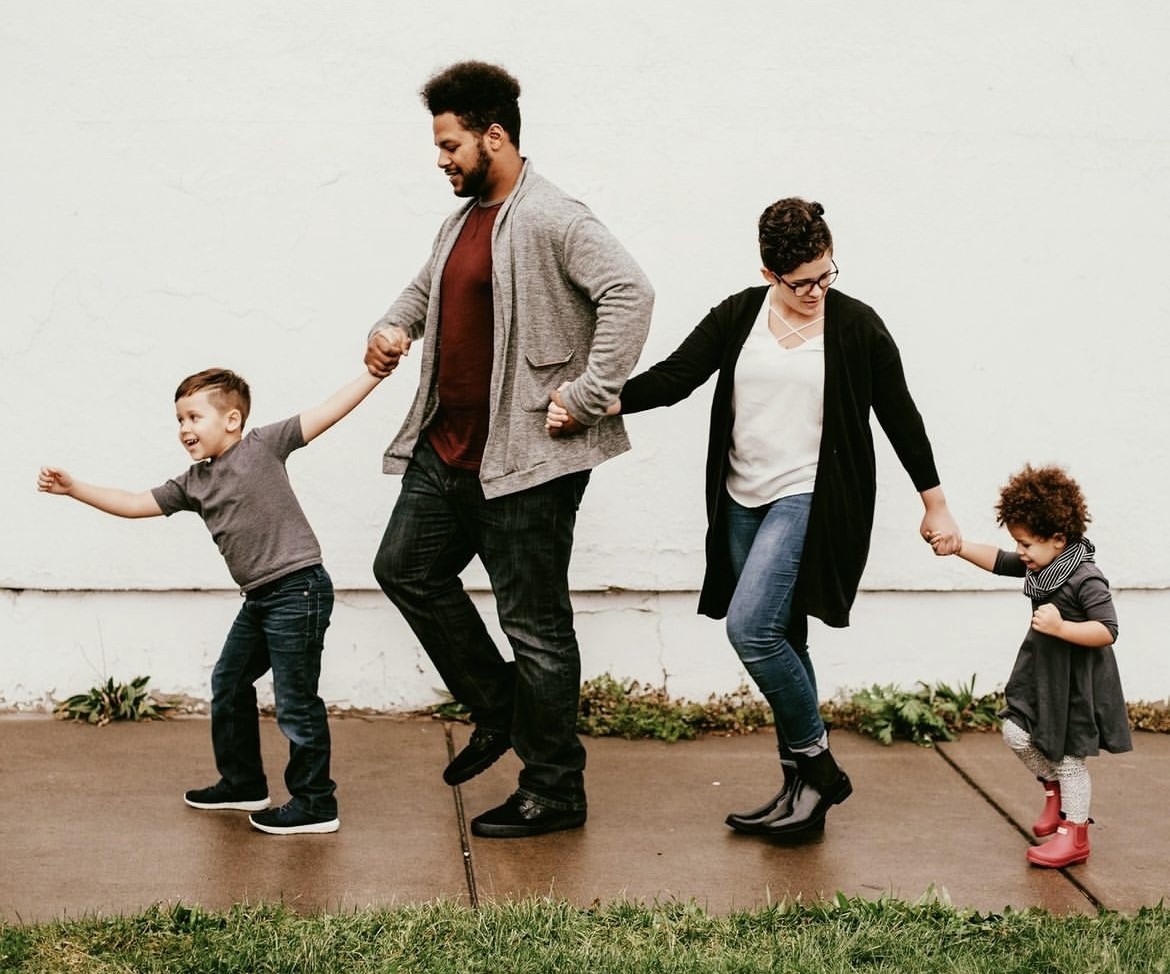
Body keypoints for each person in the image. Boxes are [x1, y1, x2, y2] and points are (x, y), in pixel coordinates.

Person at [548, 197, 961, 840]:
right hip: (741, 499)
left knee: (752, 629)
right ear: (770, 273)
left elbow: (900, 415)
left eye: (827, 275)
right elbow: (676, 377)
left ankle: (819, 768)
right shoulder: (742, 314)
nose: (818, 291)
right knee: (785, 638)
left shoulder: (856, 326)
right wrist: (592, 404)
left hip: (811, 497)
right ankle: (802, 794)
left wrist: (934, 502)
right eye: (802, 283)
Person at [365, 61, 654, 838]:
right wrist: (392, 326)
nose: (441, 159)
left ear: (494, 136)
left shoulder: (553, 217)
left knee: (536, 627)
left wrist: (589, 394)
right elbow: (427, 289)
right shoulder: (462, 220)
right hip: (448, 450)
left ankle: (555, 788)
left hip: (525, 462)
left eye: (451, 143)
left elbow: (631, 292)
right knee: (404, 569)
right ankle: (499, 711)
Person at [37, 366, 386, 835]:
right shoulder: (194, 483)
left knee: (296, 701)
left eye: (194, 417)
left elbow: (328, 411)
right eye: (179, 420)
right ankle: (243, 783)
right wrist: (74, 488)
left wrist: (374, 375)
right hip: (260, 598)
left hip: (298, 589)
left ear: (232, 420)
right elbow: (136, 501)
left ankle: (315, 802)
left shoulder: (264, 445)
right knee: (229, 680)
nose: (184, 429)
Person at [930, 463, 1131, 868]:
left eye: (1026, 544)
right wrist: (958, 546)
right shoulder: (1043, 567)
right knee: (1015, 731)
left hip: (1075, 683)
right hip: (1042, 676)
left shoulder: (1085, 577)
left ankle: (1074, 834)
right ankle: (1053, 792)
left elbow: (1107, 630)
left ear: (1058, 539)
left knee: (1068, 757)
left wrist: (1061, 627)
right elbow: (1000, 560)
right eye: (1018, 543)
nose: (1020, 552)